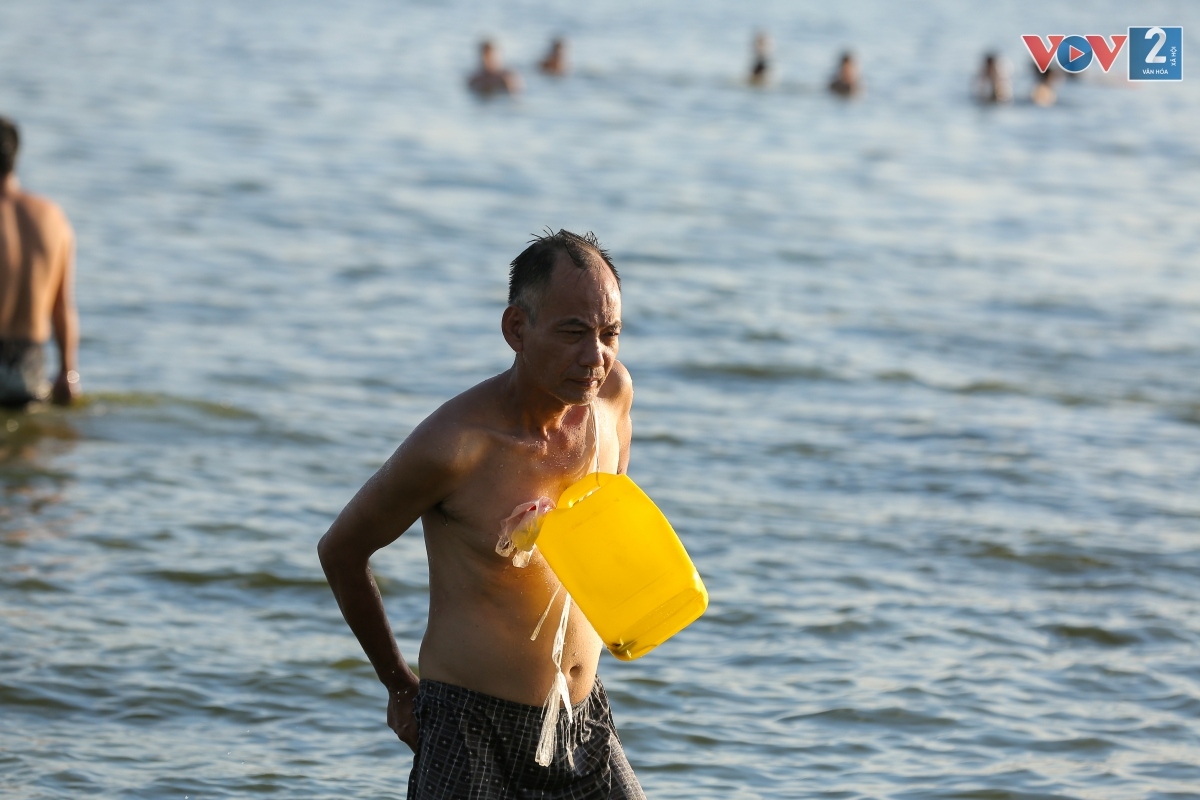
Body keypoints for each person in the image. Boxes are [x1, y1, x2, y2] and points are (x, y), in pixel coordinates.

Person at [318, 230, 645, 799]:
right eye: (573, 333)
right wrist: (399, 686)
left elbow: (606, 521)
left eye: (609, 333)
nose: (595, 357)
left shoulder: (612, 397)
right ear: (516, 329)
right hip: (470, 727)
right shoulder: (458, 445)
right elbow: (341, 550)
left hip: (582, 719)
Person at [0, 116, 79, 409]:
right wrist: (68, 372)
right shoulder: (53, 218)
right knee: (28, 452)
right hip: (30, 366)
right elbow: (63, 306)